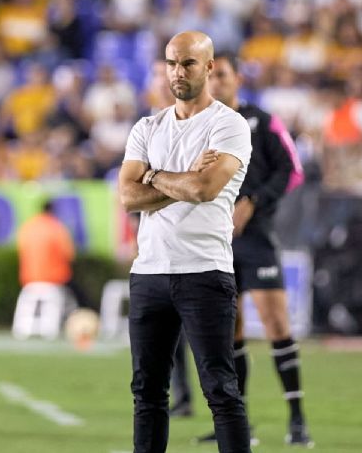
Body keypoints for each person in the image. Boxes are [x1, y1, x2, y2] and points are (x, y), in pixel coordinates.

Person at [119, 31, 252, 453]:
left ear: (210, 67)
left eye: (188, 63)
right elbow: (127, 196)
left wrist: (154, 175)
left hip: (205, 271)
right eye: (172, 63)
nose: (178, 72)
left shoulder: (228, 125)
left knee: (221, 391)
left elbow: (204, 189)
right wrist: (177, 178)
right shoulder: (147, 126)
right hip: (150, 273)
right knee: (148, 394)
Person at [171, 53, 312, 447]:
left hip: (256, 240)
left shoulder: (261, 121)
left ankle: (297, 419)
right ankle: (238, 425)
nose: (216, 83)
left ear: (237, 79)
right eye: (210, 76)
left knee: (276, 325)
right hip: (214, 242)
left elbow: (293, 170)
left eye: (223, 76)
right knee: (227, 334)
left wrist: (253, 201)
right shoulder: (198, 124)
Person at [16, 199, 91, 309]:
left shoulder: (28, 227)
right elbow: (70, 254)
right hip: (55, 278)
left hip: (28, 279)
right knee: (79, 295)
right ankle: (84, 314)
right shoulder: (56, 228)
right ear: (53, 211)